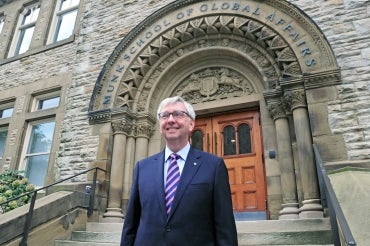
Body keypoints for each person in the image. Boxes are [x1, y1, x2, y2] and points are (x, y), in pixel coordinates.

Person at [120, 96, 238, 246]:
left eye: (177, 114)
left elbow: (225, 226)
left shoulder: (214, 166)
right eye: (165, 115)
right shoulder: (142, 167)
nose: (170, 120)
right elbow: (131, 223)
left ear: (191, 124)